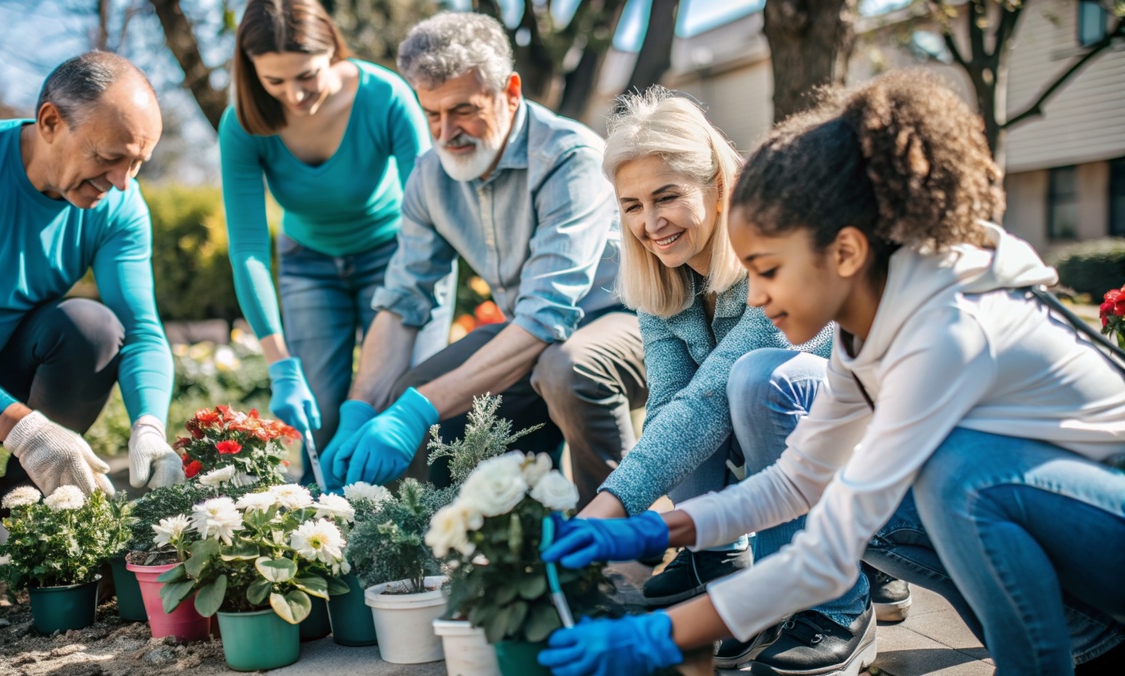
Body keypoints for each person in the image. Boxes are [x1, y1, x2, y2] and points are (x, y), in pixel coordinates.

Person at [537, 71, 1125, 676]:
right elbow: (793, 486)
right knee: (884, 486)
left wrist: (665, 631)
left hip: (1097, 537)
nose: (756, 298)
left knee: (957, 479)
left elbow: (824, 548)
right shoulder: (860, 337)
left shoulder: (947, 331)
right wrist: (651, 533)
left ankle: (1072, 650)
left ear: (843, 252)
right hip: (1055, 550)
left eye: (767, 271)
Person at [577, 85, 891, 673]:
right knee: (684, 406)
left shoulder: (774, 248)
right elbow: (673, 401)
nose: (650, 222)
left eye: (667, 196)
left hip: (876, 445)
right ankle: (726, 562)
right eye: (632, 205)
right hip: (794, 462)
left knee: (752, 379)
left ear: (719, 186)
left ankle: (838, 603)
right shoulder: (661, 273)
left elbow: (715, 398)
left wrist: (608, 509)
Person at [323, 12, 647, 503]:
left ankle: (618, 545)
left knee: (566, 368)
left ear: (511, 91)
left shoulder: (568, 157)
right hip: (537, 334)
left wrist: (418, 410)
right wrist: (361, 407)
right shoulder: (431, 177)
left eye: (464, 110)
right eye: (432, 114)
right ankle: (488, 551)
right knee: (410, 388)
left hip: (630, 324)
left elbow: (546, 316)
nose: (447, 131)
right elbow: (402, 301)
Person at [0, 52, 182, 601]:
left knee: (92, 327)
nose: (120, 182)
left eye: (138, 163)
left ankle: (19, 509)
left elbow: (142, 330)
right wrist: (27, 431)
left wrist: (151, 428)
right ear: (49, 123)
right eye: (109, 157)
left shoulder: (117, 206)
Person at [221, 0, 453, 484]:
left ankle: (421, 535)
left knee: (399, 400)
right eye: (274, 81)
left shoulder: (385, 96)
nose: (294, 95)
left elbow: (434, 215)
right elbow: (247, 250)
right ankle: (323, 536)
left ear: (333, 50)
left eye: (306, 75)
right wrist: (279, 364)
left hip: (399, 257)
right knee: (318, 417)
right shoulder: (243, 124)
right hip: (309, 265)